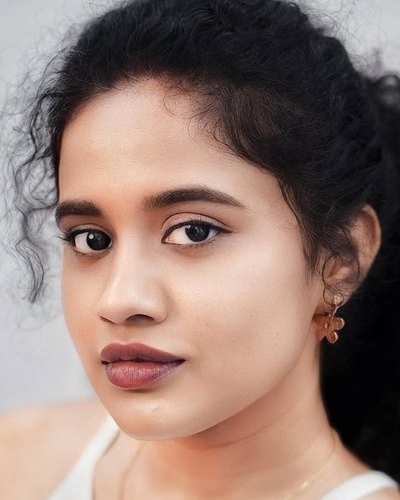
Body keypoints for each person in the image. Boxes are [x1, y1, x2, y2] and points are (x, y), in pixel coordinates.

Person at [1, 0, 400, 499]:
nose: (119, 300)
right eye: (91, 239)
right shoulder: (19, 464)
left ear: (341, 258)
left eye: (193, 232)